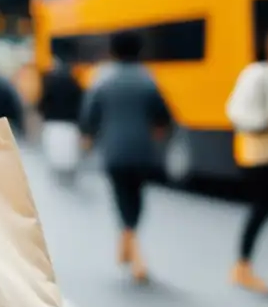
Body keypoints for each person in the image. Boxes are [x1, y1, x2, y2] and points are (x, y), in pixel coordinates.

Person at [80, 32, 172, 283]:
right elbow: (163, 117)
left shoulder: (102, 79)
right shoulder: (148, 79)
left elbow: (89, 116)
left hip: (113, 151)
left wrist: (88, 139)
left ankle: (133, 250)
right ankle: (129, 244)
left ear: (112, 51)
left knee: (122, 197)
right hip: (143, 150)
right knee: (137, 198)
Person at [225, 23, 268, 293]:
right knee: (261, 208)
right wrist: (262, 124)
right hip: (259, 157)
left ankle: (243, 266)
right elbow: (235, 111)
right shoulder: (258, 74)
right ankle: (242, 267)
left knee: (264, 209)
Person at [38, 57, 85, 183]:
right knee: (69, 150)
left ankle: (57, 172)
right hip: (70, 122)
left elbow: (42, 103)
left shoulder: (50, 83)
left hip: (52, 121)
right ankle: (69, 172)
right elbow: (82, 103)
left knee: (55, 148)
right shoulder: (74, 83)